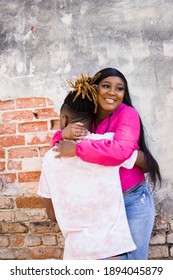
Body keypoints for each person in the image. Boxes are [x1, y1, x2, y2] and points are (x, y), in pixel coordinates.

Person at [52, 68, 162, 260]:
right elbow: (59, 145)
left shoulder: (128, 114)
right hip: (103, 203)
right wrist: (63, 133)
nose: (112, 92)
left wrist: (77, 149)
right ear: (95, 89)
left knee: (135, 263)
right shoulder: (89, 116)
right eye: (106, 86)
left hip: (132, 201)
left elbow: (120, 151)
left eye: (119, 89)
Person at [37, 74, 140, 260]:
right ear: (93, 117)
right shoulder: (107, 143)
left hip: (76, 252)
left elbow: (52, 214)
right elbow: (138, 160)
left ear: (63, 119)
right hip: (112, 249)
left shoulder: (49, 158)